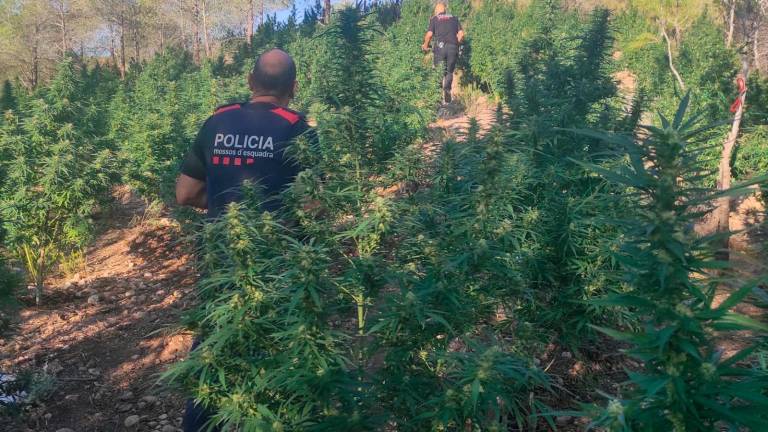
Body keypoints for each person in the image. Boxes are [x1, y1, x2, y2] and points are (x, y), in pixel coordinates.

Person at [175, 48, 312, 432]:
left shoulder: (217, 122)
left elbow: (185, 193)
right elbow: (315, 204)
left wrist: (225, 203)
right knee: (282, 354)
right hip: (278, 260)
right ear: (294, 87)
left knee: (213, 354)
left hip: (221, 256)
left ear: (250, 82)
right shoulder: (298, 129)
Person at [421, 2, 465, 104]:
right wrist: (457, 43)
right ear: (445, 9)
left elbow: (429, 35)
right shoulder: (454, 18)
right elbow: (461, 34)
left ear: (436, 10)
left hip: (440, 48)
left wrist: (425, 45)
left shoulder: (434, 19)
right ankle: (447, 90)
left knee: (438, 72)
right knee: (449, 72)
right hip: (453, 47)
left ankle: (437, 99)